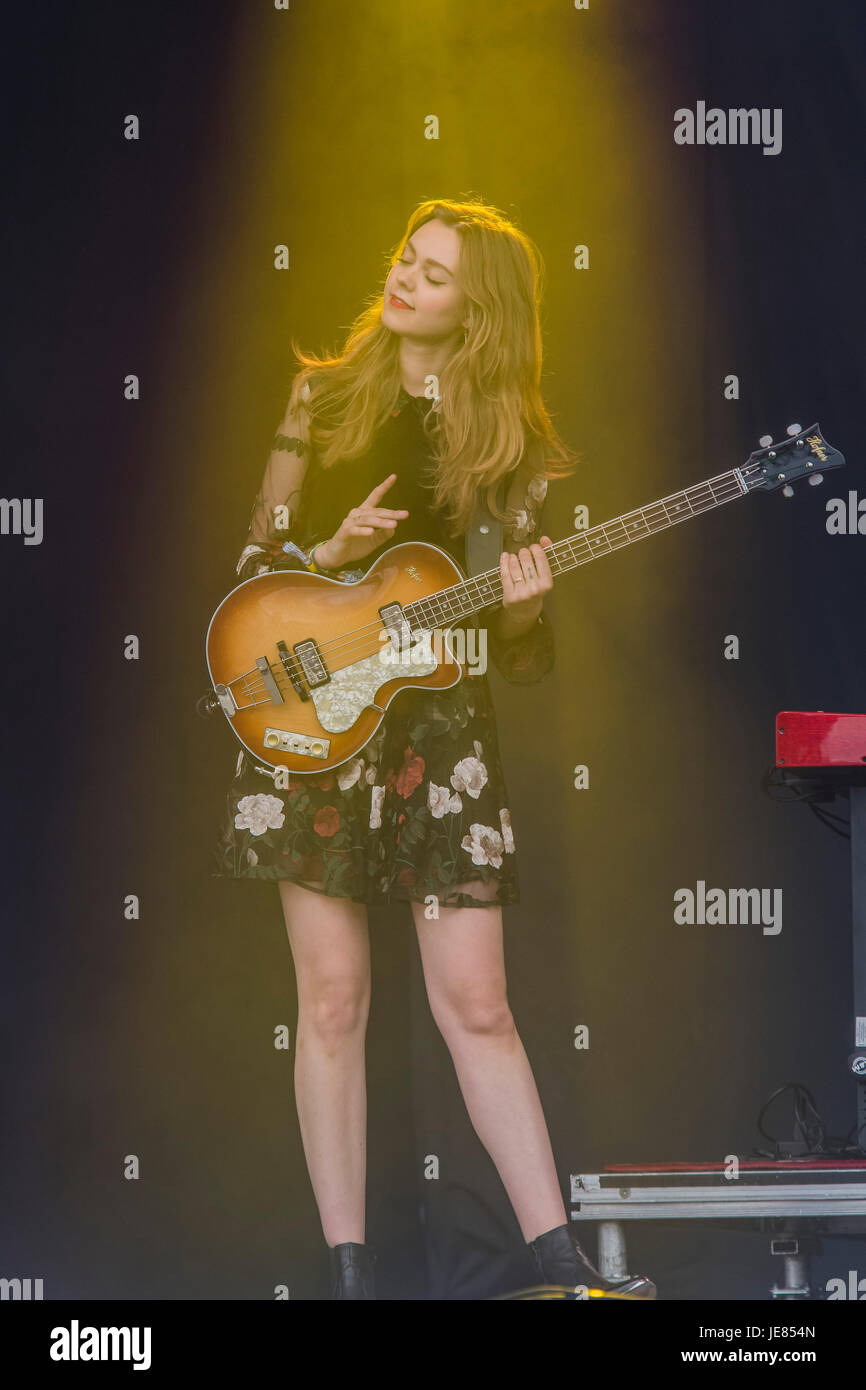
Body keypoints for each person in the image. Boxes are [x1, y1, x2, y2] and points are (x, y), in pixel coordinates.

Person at [212, 197, 656, 1301]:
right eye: (405, 258)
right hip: (312, 720)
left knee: (477, 1001)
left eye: (437, 273)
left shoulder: (505, 441)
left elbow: (520, 647)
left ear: (479, 312)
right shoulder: (320, 395)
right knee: (332, 999)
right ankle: (351, 1274)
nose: (405, 279)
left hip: (439, 730)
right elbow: (253, 566)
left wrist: (517, 604)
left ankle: (560, 1263)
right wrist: (330, 544)